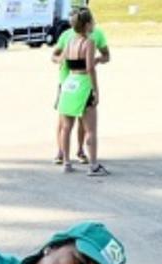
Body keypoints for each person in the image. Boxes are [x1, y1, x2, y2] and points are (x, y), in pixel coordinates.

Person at [52, 7, 110, 165]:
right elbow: (90, 68)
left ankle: (66, 161)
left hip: (70, 81)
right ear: (87, 25)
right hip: (83, 83)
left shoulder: (70, 41)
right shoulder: (89, 42)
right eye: (92, 22)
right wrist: (96, 90)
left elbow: (61, 59)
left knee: (66, 126)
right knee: (90, 129)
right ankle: (93, 164)